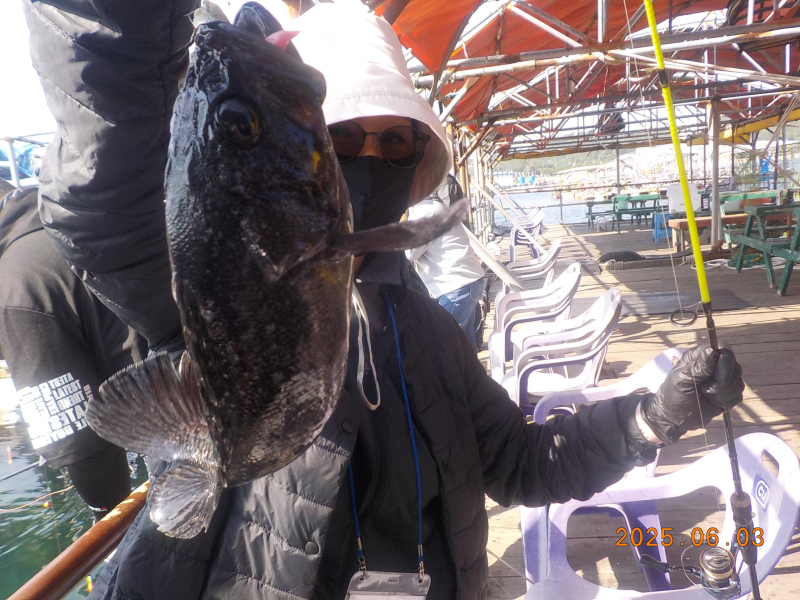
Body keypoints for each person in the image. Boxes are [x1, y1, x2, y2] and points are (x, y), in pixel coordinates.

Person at [23, 3, 744, 599]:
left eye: (396, 144)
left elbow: (521, 460)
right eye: (343, 138)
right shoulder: (198, 283)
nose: (372, 160)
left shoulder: (429, 328)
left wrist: (649, 420)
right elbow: (103, 178)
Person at [0, 187, 148, 520]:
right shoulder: (81, 212)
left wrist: (107, 517)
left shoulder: (17, 290)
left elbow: (82, 442)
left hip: (187, 427)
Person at [406, 174, 487, 350]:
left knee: (443, 345)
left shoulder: (425, 213)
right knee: (465, 345)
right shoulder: (435, 206)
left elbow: (408, 253)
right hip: (468, 281)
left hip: (456, 287)